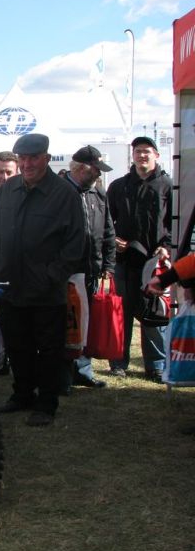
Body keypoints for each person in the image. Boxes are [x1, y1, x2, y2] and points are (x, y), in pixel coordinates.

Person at [0, 133, 85, 426]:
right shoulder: (9, 189)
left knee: (49, 348)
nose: (27, 164)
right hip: (10, 285)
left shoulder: (64, 194)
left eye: (33, 158)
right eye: (23, 159)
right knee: (17, 345)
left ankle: (46, 402)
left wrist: (50, 276)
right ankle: (22, 394)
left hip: (46, 290)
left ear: (47, 159)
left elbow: (75, 245)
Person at [106, 136, 172, 382]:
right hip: (124, 261)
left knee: (153, 314)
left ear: (156, 154)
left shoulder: (167, 185)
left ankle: (155, 365)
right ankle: (118, 362)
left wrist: (167, 247)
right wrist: (113, 240)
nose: (142, 155)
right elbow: (106, 221)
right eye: (138, 151)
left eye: (146, 151)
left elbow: (174, 222)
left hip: (155, 262)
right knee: (121, 312)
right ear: (132, 156)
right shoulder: (118, 186)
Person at [62, 146, 116, 390]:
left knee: (87, 323)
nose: (98, 175)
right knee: (66, 324)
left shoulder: (98, 193)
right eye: (95, 170)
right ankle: (62, 374)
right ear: (80, 169)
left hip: (92, 270)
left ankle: (83, 370)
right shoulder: (59, 193)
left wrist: (109, 263)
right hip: (66, 273)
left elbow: (107, 231)